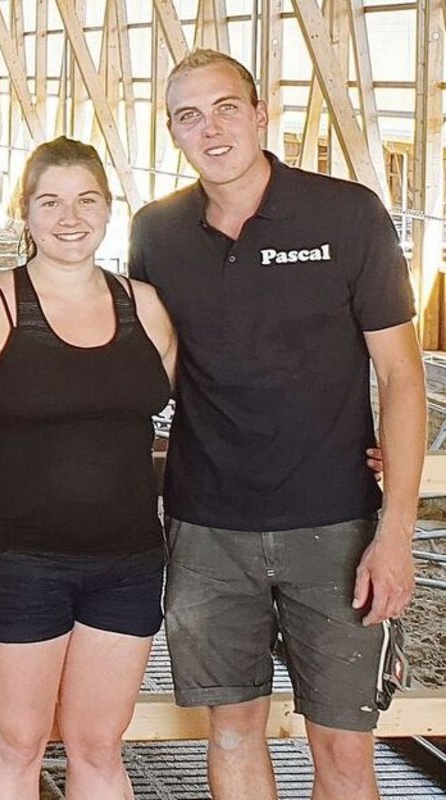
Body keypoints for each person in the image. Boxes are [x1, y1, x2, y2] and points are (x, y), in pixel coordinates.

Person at [128, 49, 426, 800]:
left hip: (335, 528)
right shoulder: (156, 233)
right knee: (230, 731)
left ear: (262, 115)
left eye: (227, 107)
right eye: (188, 116)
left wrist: (395, 533)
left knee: (344, 748)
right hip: (206, 529)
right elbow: (140, 370)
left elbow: (401, 375)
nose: (211, 129)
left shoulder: (347, 213)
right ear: (172, 133)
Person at [0, 137, 176, 800]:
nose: (69, 217)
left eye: (86, 200)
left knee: (99, 746)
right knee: (17, 743)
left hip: (127, 563)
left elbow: (218, 415)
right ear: (26, 213)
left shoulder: (148, 309)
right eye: (51, 201)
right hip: (18, 564)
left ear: (109, 209)